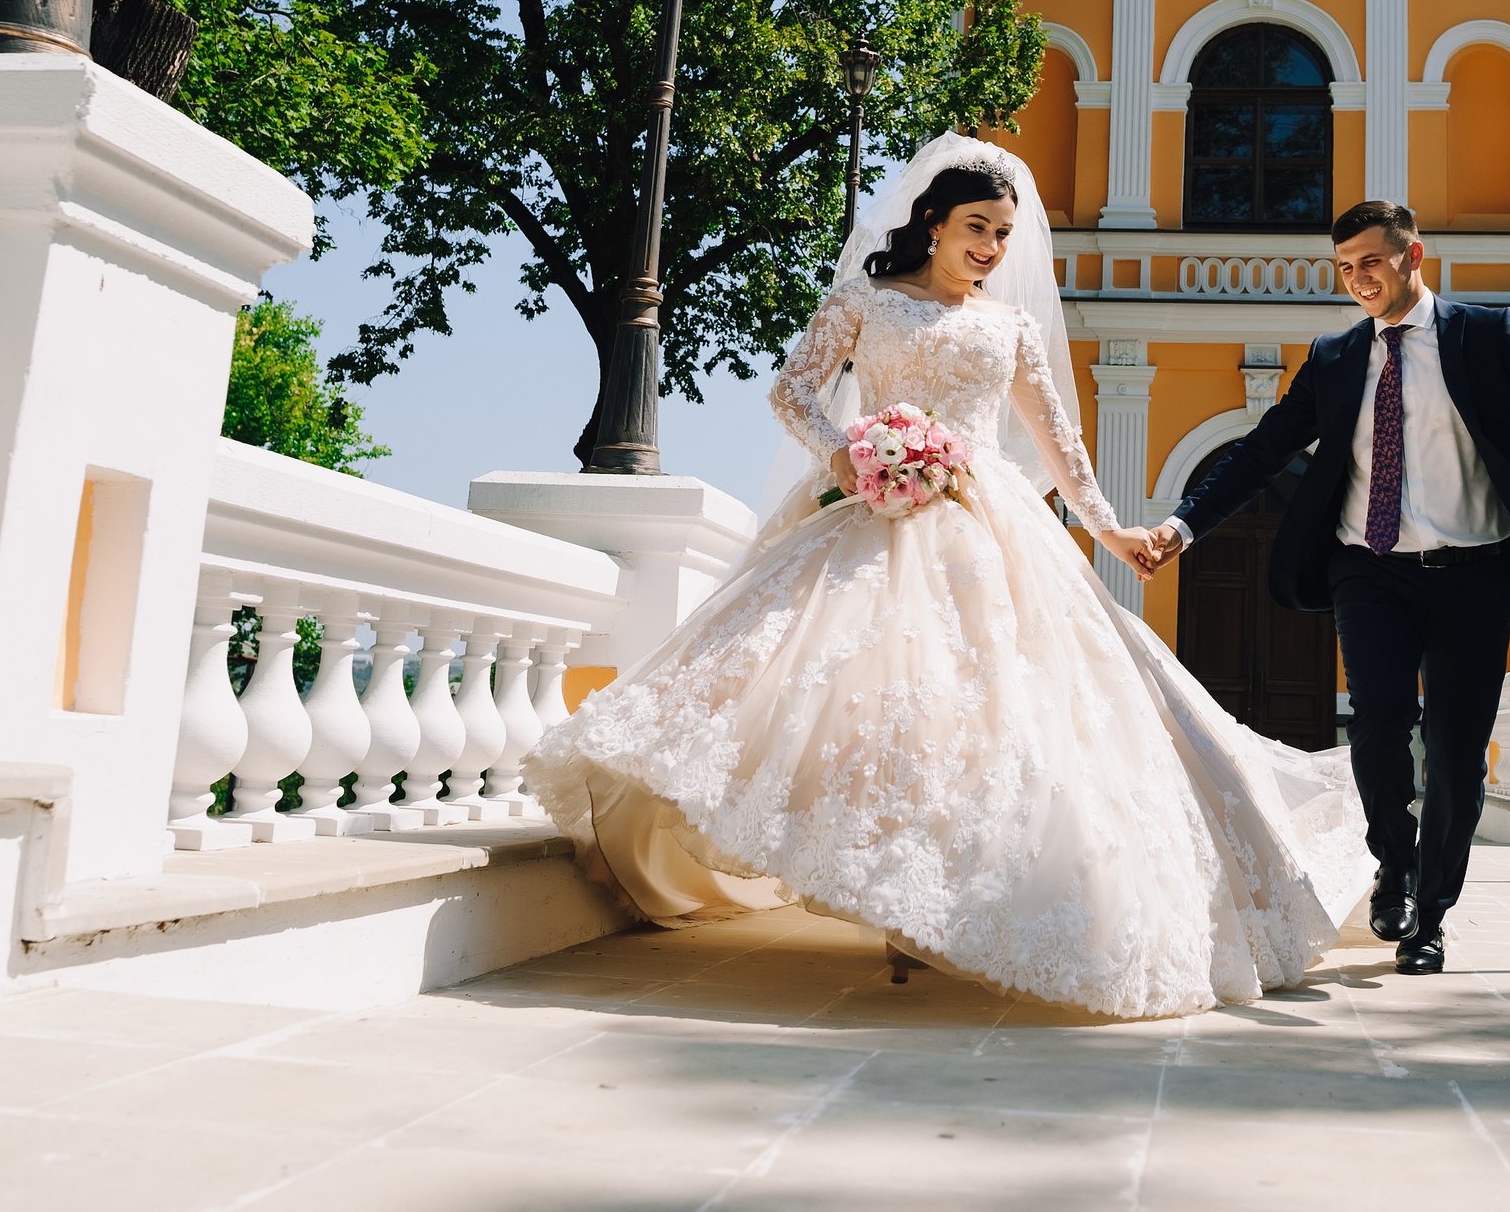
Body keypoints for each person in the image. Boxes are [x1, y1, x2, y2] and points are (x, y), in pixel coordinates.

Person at [525, 135, 1373, 1019]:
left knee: (987, 709)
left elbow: (1060, 442)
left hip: (984, 517)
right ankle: (893, 893)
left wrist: (1108, 528)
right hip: (871, 512)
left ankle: (935, 905)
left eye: (1004, 234)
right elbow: (794, 391)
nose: (993, 249)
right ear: (931, 222)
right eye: (978, 227)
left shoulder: (1007, 327)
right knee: (870, 696)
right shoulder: (864, 298)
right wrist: (848, 451)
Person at [1136, 199, 1510, 976]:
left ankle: (1431, 912)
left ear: (1413, 256)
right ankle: (1393, 863)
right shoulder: (1336, 358)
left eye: (1371, 261)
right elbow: (1263, 450)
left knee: (1457, 750)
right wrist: (1183, 524)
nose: (1358, 279)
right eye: (1344, 268)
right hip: (1368, 567)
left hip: (1475, 570)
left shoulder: (1484, 334)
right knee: (1377, 719)